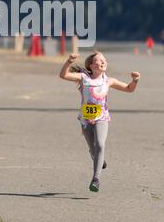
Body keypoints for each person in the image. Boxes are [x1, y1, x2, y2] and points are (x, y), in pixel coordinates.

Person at [59, 50, 140, 193]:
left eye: (104, 60)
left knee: (100, 145)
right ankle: (96, 157)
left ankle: (96, 179)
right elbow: (63, 75)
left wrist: (135, 80)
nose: (103, 62)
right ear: (91, 64)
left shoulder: (109, 81)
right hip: (85, 119)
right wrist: (69, 61)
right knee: (94, 150)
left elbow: (129, 89)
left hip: (102, 117)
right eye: (99, 60)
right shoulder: (83, 78)